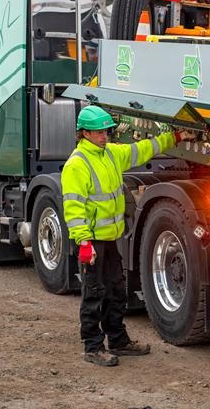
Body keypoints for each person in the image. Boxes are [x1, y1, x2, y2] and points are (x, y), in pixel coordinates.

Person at [61, 104, 191, 367]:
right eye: (98, 132)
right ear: (84, 133)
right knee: (94, 294)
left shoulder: (110, 154)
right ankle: (92, 347)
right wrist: (84, 242)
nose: (104, 135)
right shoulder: (77, 164)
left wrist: (175, 137)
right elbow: (74, 208)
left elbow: (142, 149)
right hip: (92, 241)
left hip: (110, 239)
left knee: (116, 291)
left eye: (106, 131)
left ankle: (118, 340)